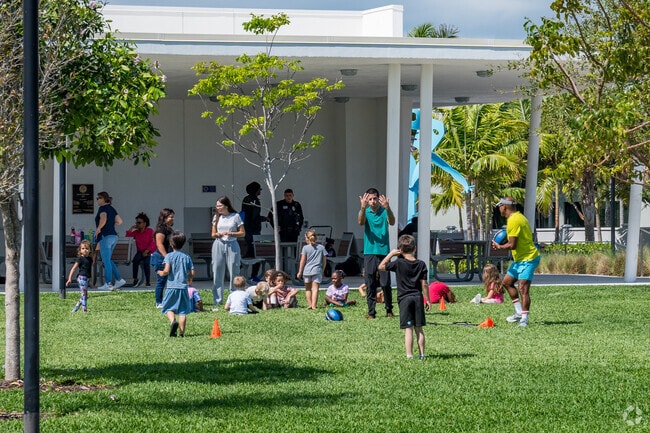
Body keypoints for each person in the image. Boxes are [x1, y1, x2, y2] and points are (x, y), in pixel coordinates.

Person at [379, 234, 431, 360]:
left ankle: (409, 355)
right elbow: (424, 284)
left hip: (404, 299)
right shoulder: (421, 264)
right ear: (415, 248)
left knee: (408, 329)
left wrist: (391, 254)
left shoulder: (398, 263)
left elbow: (381, 266)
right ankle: (422, 354)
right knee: (419, 328)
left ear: (400, 250)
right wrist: (427, 299)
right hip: (418, 297)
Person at [492, 197, 540, 327]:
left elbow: (512, 245)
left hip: (528, 258)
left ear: (504, 207)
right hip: (520, 259)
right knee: (507, 282)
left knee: (523, 289)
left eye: (500, 206)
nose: (499, 209)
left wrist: (499, 246)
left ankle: (524, 319)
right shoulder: (518, 217)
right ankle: (519, 312)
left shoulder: (513, 220)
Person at [358, 187, 395, 319]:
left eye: (375, 199)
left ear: (379, 199)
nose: (373, 201)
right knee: (370, 282)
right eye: (370, 199)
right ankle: (371, 312)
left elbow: (392, 222)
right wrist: (362, 208)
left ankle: (389, 309)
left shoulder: (384, 211)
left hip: (384, 252)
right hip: (369, 252)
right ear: (366, 201)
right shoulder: (365, 211)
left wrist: (388, 208)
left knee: (385, 283)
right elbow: (360, 222)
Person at [157, 231, 195, 337]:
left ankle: (173, 321)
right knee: (183, 311)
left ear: (170, 243)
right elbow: (192, 272)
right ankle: (182, 333)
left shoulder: (169, 256)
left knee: (168, 307)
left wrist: (160, 272)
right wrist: (189, 279)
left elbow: (166, 271)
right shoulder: (186, 257)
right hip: (183, 287)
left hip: (171, 287)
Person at [211, 196, 245, 309]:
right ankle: (217, 300)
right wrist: (218, 234)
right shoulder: (217, 217)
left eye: (220, 206)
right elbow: (213, 233)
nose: (218, 208)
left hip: (232, 244)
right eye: (217, 206)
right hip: (219, 244)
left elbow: (242, 233)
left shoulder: (235, 216)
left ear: (226, 205)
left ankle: (234, 299)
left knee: (234, 271)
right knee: (217, 271)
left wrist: (231, 234)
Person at [94, 191, 126, 291]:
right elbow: (120, 221)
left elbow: (103, 218)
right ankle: (119, 279)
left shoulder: (102, 208)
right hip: (114, 236)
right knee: (108, 259)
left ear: (104, 199)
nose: (97, 200)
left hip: (105, 236)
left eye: (98, 198)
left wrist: (99, 228)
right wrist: (111, 225)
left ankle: (108, 283)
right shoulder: (112, 209)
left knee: (105, 260)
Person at [241, 181, 267, 280]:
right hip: (254, 231)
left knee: (248, 253)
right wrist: (264, 219)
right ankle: (254, 275)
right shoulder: (255, 201)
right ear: (256, 190)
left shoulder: (245, 199)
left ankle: (234, 272)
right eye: (259, 189)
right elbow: (254, 217)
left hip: (246, 230)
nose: (260, 191)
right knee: (256, 253)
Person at [297, 229, 327, 310]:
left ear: (307, 238)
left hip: (307, 271)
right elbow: (324, 261)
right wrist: (322, 270)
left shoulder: (305, 248)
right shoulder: (321, 248)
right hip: (317, 271)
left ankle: (310, 304)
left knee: (307, 289)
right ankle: (314, 305)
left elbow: (302, 261)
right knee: (315, 289)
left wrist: (300, 271)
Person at [151, 208, 175, 309]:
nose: (173, 218)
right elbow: (159, 244)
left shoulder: (169, 229)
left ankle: (168, 300)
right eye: (170, 217)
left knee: (170, 280)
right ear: (164, 218)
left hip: (168, 256)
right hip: (161, 258)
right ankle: (159, 302)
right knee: (161, 281)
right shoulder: (161, 229)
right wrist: (166, 257)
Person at [125, 212, 156, 287]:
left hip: (149, 251)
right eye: (136, 222)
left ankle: (148, 281)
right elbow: (128, 237)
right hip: (140, 252)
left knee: (146, 263)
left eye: (139, 222)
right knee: (135, 261)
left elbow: (153, 243)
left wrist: (147, 250)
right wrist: (131, 229)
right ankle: (135, 278)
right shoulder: (136, 232)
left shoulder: (150, 231)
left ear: (144, 223)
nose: (137, 224)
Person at [66, 240, 93, 313]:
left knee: (85, 295)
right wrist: (69, 279)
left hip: (87, 278)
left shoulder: (90, 259)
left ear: (90, 250)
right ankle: (84, 311)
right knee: (84, 294)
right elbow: (73, 268)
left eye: (87, 249)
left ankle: (75, 308)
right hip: (81, 278)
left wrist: (91, 281)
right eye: (83, 248)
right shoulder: (80, 259)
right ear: (80, 250)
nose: (85, 250)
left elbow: (90, 270)